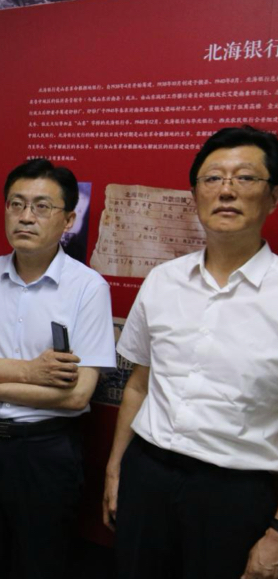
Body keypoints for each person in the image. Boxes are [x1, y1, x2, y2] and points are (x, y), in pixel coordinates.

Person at [103, 125, 278, 579]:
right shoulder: (163, 280)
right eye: (213, 178)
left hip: (235, 492)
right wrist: (116, 470)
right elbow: (139, 385)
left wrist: (277, 532)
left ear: (273, 198)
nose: (226, 190)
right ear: (196, 194)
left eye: (245, 178)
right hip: (148, 474)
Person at [0, 158, 115, 579]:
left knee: (41, 564)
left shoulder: (88, 288)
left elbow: (77, 394)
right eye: (16, 204)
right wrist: (31, 373)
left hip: (44, 450)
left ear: (68, 219)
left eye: (41, 207)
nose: (25, 216)